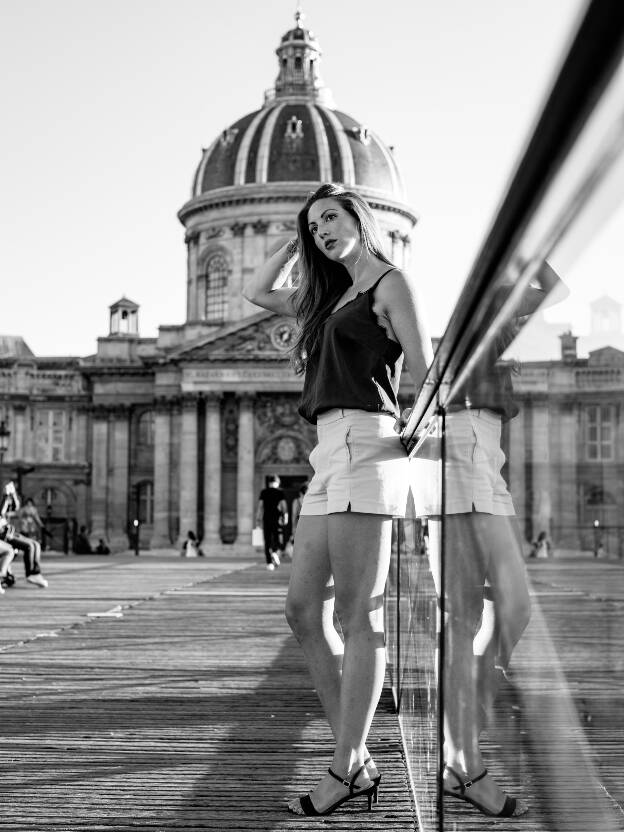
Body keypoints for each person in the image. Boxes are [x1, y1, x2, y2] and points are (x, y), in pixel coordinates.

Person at [243, 183, 432, 816]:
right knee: (302, 611)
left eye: (331, 217)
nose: (323, 230)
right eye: (313, 225)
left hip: (365, 444)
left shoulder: (389, 284)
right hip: (326, 449)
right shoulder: (326, 297)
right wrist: (290, 241)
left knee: (358, 616)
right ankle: (354, 755)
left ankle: (346, 765)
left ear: (361, 216)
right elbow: (254, 293)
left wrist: (415, 440)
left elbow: (424, 369)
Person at [439, 263, 564, 818]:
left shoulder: (491, 324)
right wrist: (528, 259)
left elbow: (551, 288)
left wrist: (528, 258)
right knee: (476, 613)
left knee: (505, 607)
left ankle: (480, 687)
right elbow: (551, 288)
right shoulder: (481, 324)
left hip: (486, 451)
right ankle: (466, 765)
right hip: (466, 446)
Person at [1, 482, 48, 587]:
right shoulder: (3, 501)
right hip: (3, 534)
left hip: (9, 531)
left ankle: (36, 573)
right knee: (29, 546)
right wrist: (5, 497)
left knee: (36, 544)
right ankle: (31, 574)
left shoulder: (7, 500)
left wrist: (12, 494)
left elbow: (15, 507)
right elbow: (2, 512)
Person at [256, 476, 288, 570]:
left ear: (269, 483)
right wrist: (285, 518)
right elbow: (284, 506)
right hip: (277, 519)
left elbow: (260, 507)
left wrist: (258, 519)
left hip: (266, 519)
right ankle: (274, 552)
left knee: (267, 540)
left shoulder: (264, 492)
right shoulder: (280, 492)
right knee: (278, 539)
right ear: (278, 483)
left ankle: (269, 563)